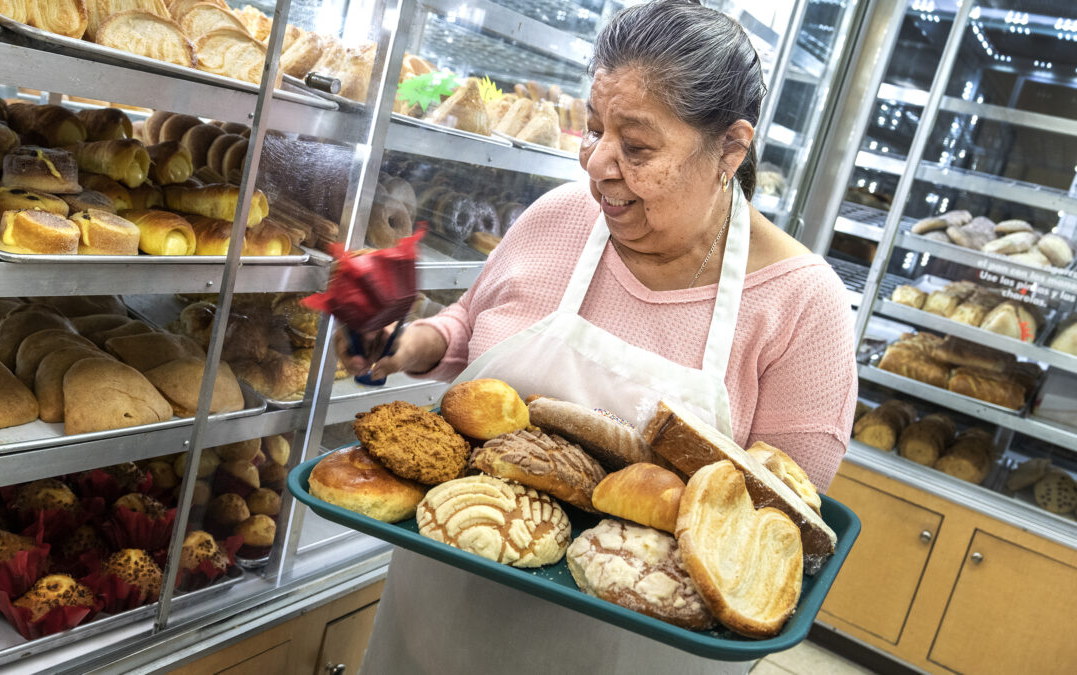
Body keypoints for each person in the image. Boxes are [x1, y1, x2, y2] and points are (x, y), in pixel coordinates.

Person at [341, 2, 858, 672]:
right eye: (592, 129)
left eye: (637, 148)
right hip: (446, 605)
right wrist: (410, 344)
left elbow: (783, 528)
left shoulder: (801, 306)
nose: (597, 166)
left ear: (730, 148)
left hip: (634, 647)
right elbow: (468, 326)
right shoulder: (558, 216)